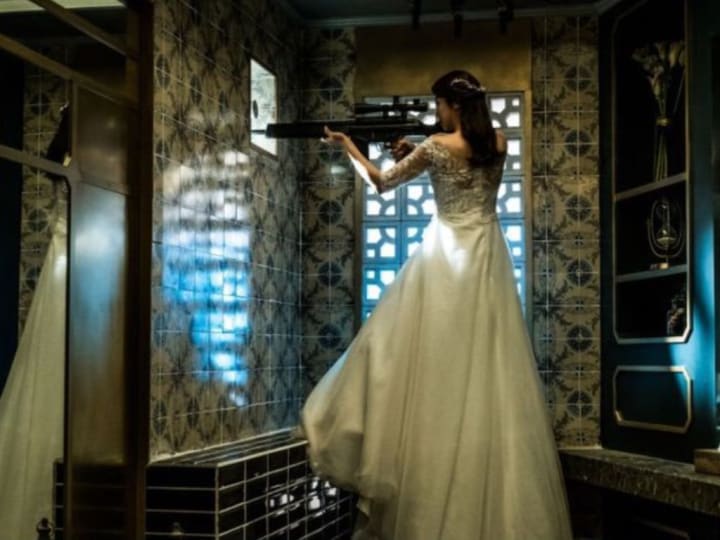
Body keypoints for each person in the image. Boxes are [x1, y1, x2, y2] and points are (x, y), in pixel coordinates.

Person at [298, 70, 573, 540]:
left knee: (409, 358)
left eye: (440, 104)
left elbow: (382, 183)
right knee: (485, 368)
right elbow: (461, 161)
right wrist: (419, 148)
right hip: (486, 255)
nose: (437, 112)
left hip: (445, 257)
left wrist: (348, 147)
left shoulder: (436, 147)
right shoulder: (498, 143)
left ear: (454, 105)